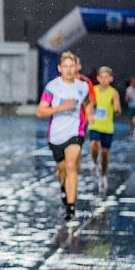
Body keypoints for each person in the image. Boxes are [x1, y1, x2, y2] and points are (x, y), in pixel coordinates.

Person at [36, 51, 94, 222]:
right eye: (65, 67)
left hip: (75, 131)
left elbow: (88, 103)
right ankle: (63, 186)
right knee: (62, 170)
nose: (69, 70)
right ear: (60, 68)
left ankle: (70, 207)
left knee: (71, 166)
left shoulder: (82, 87)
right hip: (56, 135)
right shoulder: (52, 87)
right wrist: (62, 108)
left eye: (72, 66)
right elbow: (41, 111)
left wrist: (90, 115)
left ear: (76, 68)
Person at [87, 66, 121, 191]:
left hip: (107, 127)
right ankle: (94, 162)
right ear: (97, 78)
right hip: (95, 125)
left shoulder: (113, 92)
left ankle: (103, 175)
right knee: (94, 144)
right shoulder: (93, 90)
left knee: (105, 153)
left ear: (111, 79)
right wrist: (89, 113)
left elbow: (117, 107)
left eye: (107, 77)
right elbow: (89, 104)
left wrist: (117, 108)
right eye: (101, 77)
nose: (104, 79)